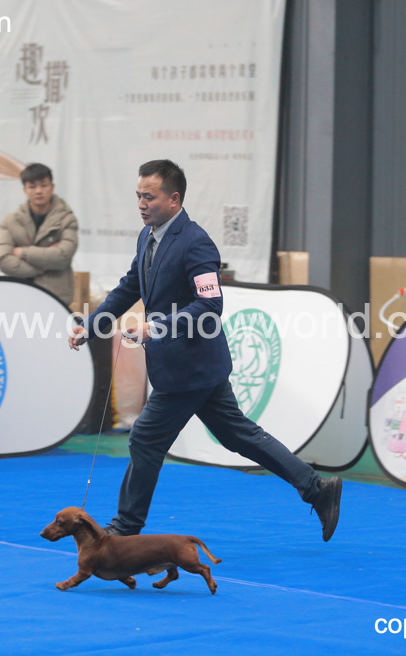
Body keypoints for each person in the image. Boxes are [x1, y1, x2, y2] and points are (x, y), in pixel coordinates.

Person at [69, 160, 343, 541]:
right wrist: (91, 326)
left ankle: (125, 531)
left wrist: (155, 327)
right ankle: (317, 489)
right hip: (194, 368)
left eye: (149, 197)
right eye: (138, 196)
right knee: (239, 435)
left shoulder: (196, 242)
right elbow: (130, 286)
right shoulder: (147, 237)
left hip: (189, 369)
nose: (142, 204)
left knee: (145, 438)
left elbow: (210, 306)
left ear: (174, 199)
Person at [0, 163, 79, 306]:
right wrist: (44, 266)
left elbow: (63, 257)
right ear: (25, 190)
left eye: (44, 185)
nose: (39, 191)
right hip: (18, 296)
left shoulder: (67, 219)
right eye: (32, 186)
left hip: (55, 298)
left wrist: (23, 253)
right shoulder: (10, 221)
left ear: (52, 187)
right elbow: (3, 259)